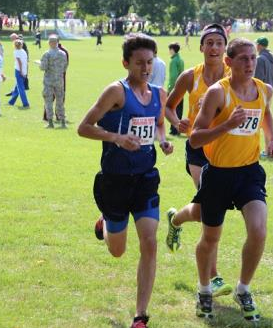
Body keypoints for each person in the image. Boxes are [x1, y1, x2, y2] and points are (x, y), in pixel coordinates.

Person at [77, 34, 173, 328]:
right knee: (117, 251)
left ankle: (140, 315)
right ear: (126, 63)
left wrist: (164, 140)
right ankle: (106, 222)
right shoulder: (116, 92)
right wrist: (115, 138)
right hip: (115, 181)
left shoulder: (159, 93)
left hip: (145, 179)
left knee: (150, 242)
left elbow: (158, 125)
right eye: (139, 63)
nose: (146, 68)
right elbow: (83, 127)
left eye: (150, 62)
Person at [190, 37, 273, 321]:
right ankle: (205, 289)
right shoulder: (218, 93)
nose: (250, 63)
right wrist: (228, 125)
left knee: (258, 230)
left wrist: (272, 140)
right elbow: (195, 138)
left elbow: (265, 114)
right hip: (218, 174)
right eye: (243, 58)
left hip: (249, 172)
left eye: (253, 58)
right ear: (228, 62)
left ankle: (243, 288)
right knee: (210, 237)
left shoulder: (263, 90)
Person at [165, 23, 232, 298]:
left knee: (206, 209)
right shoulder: (190, 76)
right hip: (197, 148)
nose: (214, 48)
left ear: (225, 47)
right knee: (212, 207)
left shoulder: (234, 75)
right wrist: (177, 121)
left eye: (219, 43)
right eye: (210, 43)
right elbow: (168, 106)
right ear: (202, 46)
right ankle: (213, 276)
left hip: (227, 151)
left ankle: (176, 220)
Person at [38, 34, 68, 128]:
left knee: (48, 101)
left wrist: (39, 63)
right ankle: (62, 121)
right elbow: (65, 67)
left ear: (50, 43)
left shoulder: (47, 54)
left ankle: (50, 122)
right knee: (60, 101)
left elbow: (43, 67)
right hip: (59, 80)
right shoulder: (63, 54)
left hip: (49, 81)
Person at [167, 42, 184, 135]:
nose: (169, 51)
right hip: (181, 88)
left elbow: (173, 76)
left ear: (173, 50)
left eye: (170, 49)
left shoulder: (173, 61)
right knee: (179, 109)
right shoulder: (180, 60)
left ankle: (174, 129)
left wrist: (170, 88)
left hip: (174, 88)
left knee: (171, 109)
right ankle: (179, 128)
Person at [8, 40, 29, 108]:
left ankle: (25, 103)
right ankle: (11, 102)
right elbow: (26, 62)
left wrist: (20, 72)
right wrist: (25, 72)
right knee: (17, 87)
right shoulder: (24, 51)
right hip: (24, 70)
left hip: (18, 71)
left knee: (20, 88)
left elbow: (19, 62)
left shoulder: (16, 52)